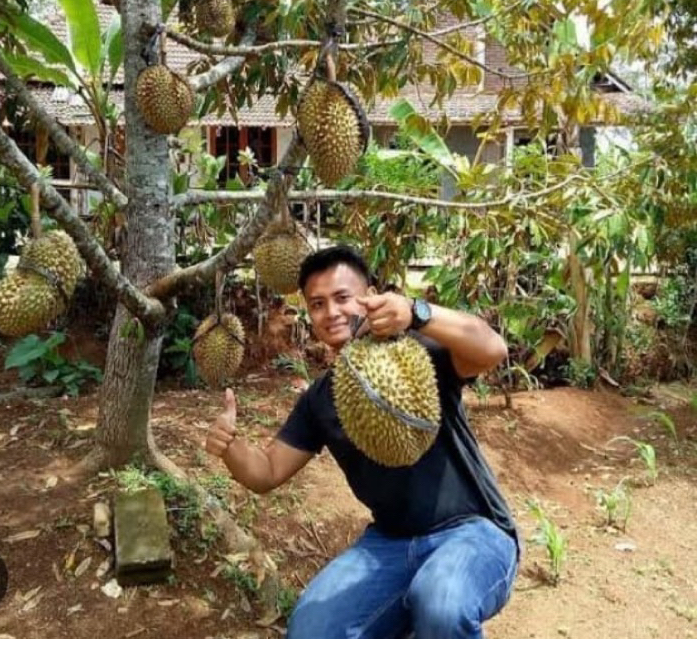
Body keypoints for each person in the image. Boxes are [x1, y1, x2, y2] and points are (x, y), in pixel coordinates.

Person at [205, 245, 519, 639]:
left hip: (473, 532)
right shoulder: (322, 399)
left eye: (342, 298)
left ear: (369, 293)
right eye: (317, 304)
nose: (331, 312)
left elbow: (493, 349)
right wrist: (230, 445)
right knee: (311, 632)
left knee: (440, 603)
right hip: (390, 545)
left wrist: (417, 312)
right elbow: (266, 473)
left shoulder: (417, 352)